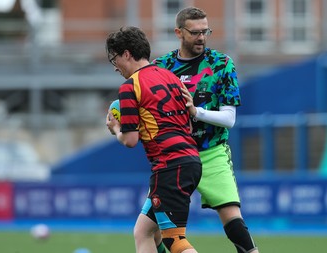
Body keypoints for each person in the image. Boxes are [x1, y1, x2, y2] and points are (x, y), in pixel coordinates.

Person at [152, 7, 260, 253]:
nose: (201, 37)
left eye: (205, 31)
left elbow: (229, 119)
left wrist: (196, 112)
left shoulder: (221, 64)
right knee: (151, 229)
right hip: (174, 154)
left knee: (233, 219)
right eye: (195, 32)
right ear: (178, 32)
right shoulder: (161, 67)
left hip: (211, 152)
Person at [105, 26, 202, 253]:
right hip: (191, 160)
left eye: (115, 58)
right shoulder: (171, 77)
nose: (115, 66)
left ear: (127, 54)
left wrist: (116, 128)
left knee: (175, 241)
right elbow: (187, 123)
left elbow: (130, 140)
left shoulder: (130, 87)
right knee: (144, 231)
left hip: (170, 166)